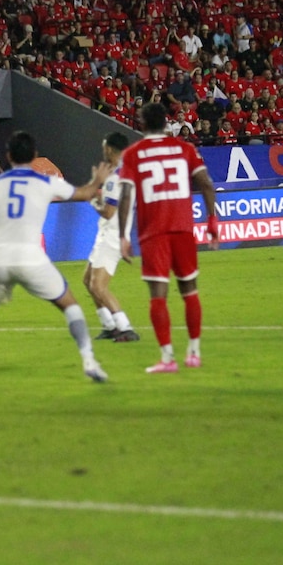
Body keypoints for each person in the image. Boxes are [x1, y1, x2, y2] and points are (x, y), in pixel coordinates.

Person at [0, 131, 112, 390]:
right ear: (34, 155)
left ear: (9, 156)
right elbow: (85, 193)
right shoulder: (45, 182)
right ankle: (89, 361)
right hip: (31, 258)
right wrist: (98, 180)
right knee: (71, 306)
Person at [117, 102, 220, 374]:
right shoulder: (185, 148)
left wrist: (123, 236)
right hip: (182, 229)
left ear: (142, 124)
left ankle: (167, 358)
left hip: (154, 233)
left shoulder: (133, 154)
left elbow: (126, 195)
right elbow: (206, 184)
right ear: (165, 123)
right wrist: (211, 220)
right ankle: (194, 353)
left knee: (158, 296)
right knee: (190, 290)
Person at [83, 133, 140, 342]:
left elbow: (108, 212)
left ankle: (125, 328)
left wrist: (92, 199)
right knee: (87, 280)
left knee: (98, 286)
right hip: (108, 233)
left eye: (104, 147)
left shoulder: (115, 178)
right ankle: (109, 325)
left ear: (109, 149)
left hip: (112, 236)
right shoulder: (123, 172)